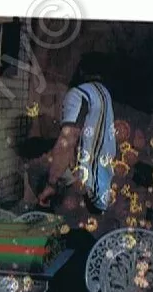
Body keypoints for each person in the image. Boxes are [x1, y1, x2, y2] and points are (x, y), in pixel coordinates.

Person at [37, 52, 117, 217]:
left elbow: (66, 142)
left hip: (83, 190)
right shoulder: (104, 93)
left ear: (80, 71)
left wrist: (51, 184)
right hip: (102, 189)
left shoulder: (79, 94)